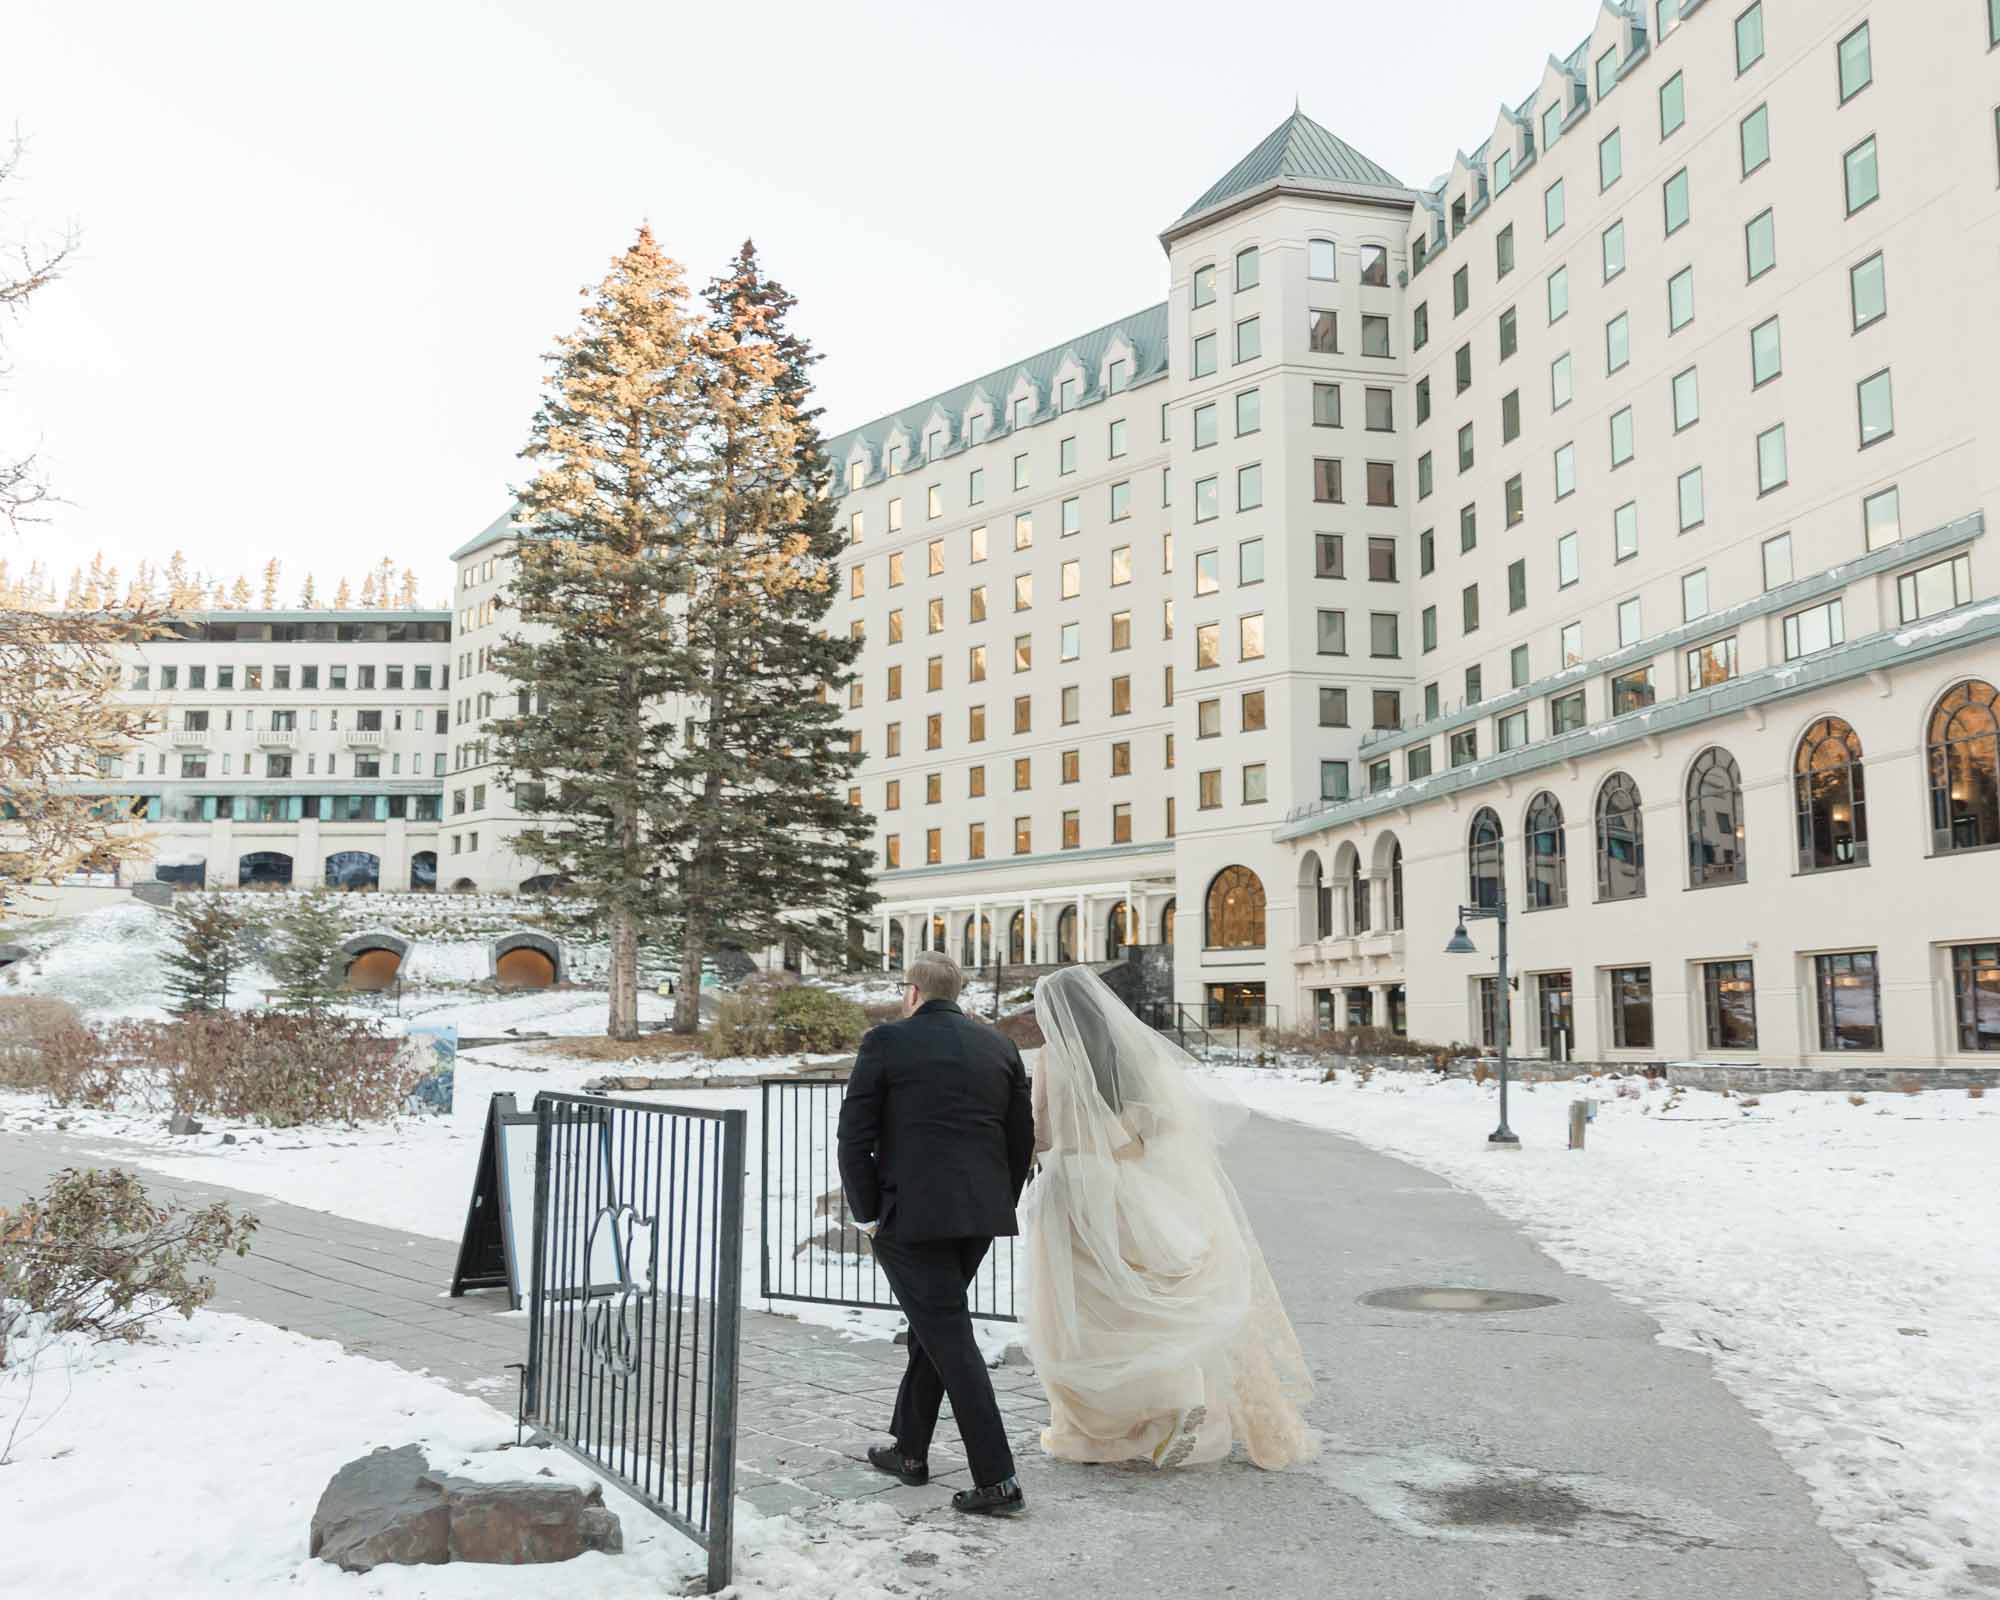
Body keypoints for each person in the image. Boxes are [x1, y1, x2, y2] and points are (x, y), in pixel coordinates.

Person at [1021, 965, 1316, 1471]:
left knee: (1078, 1317)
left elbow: (1042, 1133)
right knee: (1139, 1305)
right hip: (1128, 1190)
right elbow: (1164, 1124)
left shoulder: (1054, 1058)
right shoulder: (1130, 1056)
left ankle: (1097, 1432)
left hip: (1070, 1190)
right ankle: (1173, 1400)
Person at [837, 950, 1035, 1515]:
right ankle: (910, 1451)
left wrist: (867, 1213)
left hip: (910, 1218)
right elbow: (1019, 1139)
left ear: (913, 992)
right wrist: (997, 1202)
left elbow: (854, 1135)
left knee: (949, 1336)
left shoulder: (886, 1042)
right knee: (934, 1326)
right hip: (978, 1215)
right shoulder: (999, 1046)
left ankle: (997, 1479)